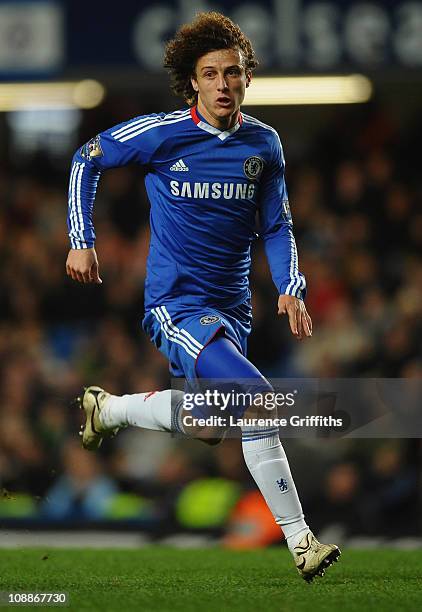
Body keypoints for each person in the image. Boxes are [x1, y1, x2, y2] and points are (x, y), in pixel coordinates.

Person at [66, 12, 340, 581]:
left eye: (233, 73)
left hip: (232, 310)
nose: (223, 84)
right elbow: (87, 158)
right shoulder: (164, 133)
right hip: (177, 304)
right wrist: (80, 239)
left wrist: (291, 285)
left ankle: (109, 408)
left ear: (245, 79)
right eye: (211, 73)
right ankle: (302, 541)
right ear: (193, 81)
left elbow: (277, 226)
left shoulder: (263, 143)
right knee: (257, 399)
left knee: (209, 422)